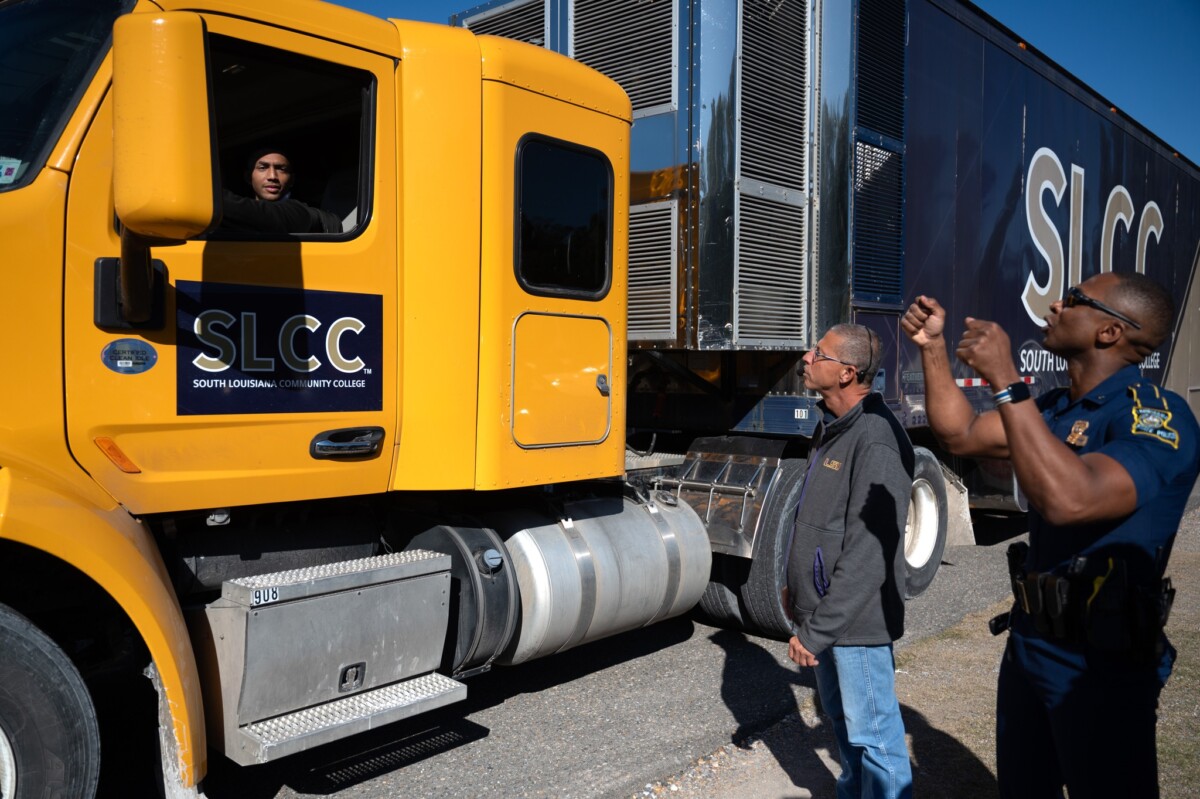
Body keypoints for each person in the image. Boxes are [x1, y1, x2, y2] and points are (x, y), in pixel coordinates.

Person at [901, 271, 1200, 798]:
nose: (1056, 305)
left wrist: (1008, 383)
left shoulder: (1156, 416)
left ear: (1109, 332)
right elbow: (961, 433)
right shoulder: (1056, 408)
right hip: (1031, 644)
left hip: (1102, 662)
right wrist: (933, 347)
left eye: (1076, 299)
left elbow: (1071, 500)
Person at [785, 323, 914, 799]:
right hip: (825, 614)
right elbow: (815, 522)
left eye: (818, 352)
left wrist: (816, 632)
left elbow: (867, 553)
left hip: (856, 624)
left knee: (874, 739)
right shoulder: (832, 426)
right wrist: (794, 587)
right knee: (845, 729)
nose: (806, 356)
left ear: (846, 372)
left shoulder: (875, 438)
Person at [220, 147, 342, 234]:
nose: (272, 176)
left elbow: (259, 214)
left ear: (292, 180)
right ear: (248, 177)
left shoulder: (301, 213)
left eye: (281, 169)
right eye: (263, 168)